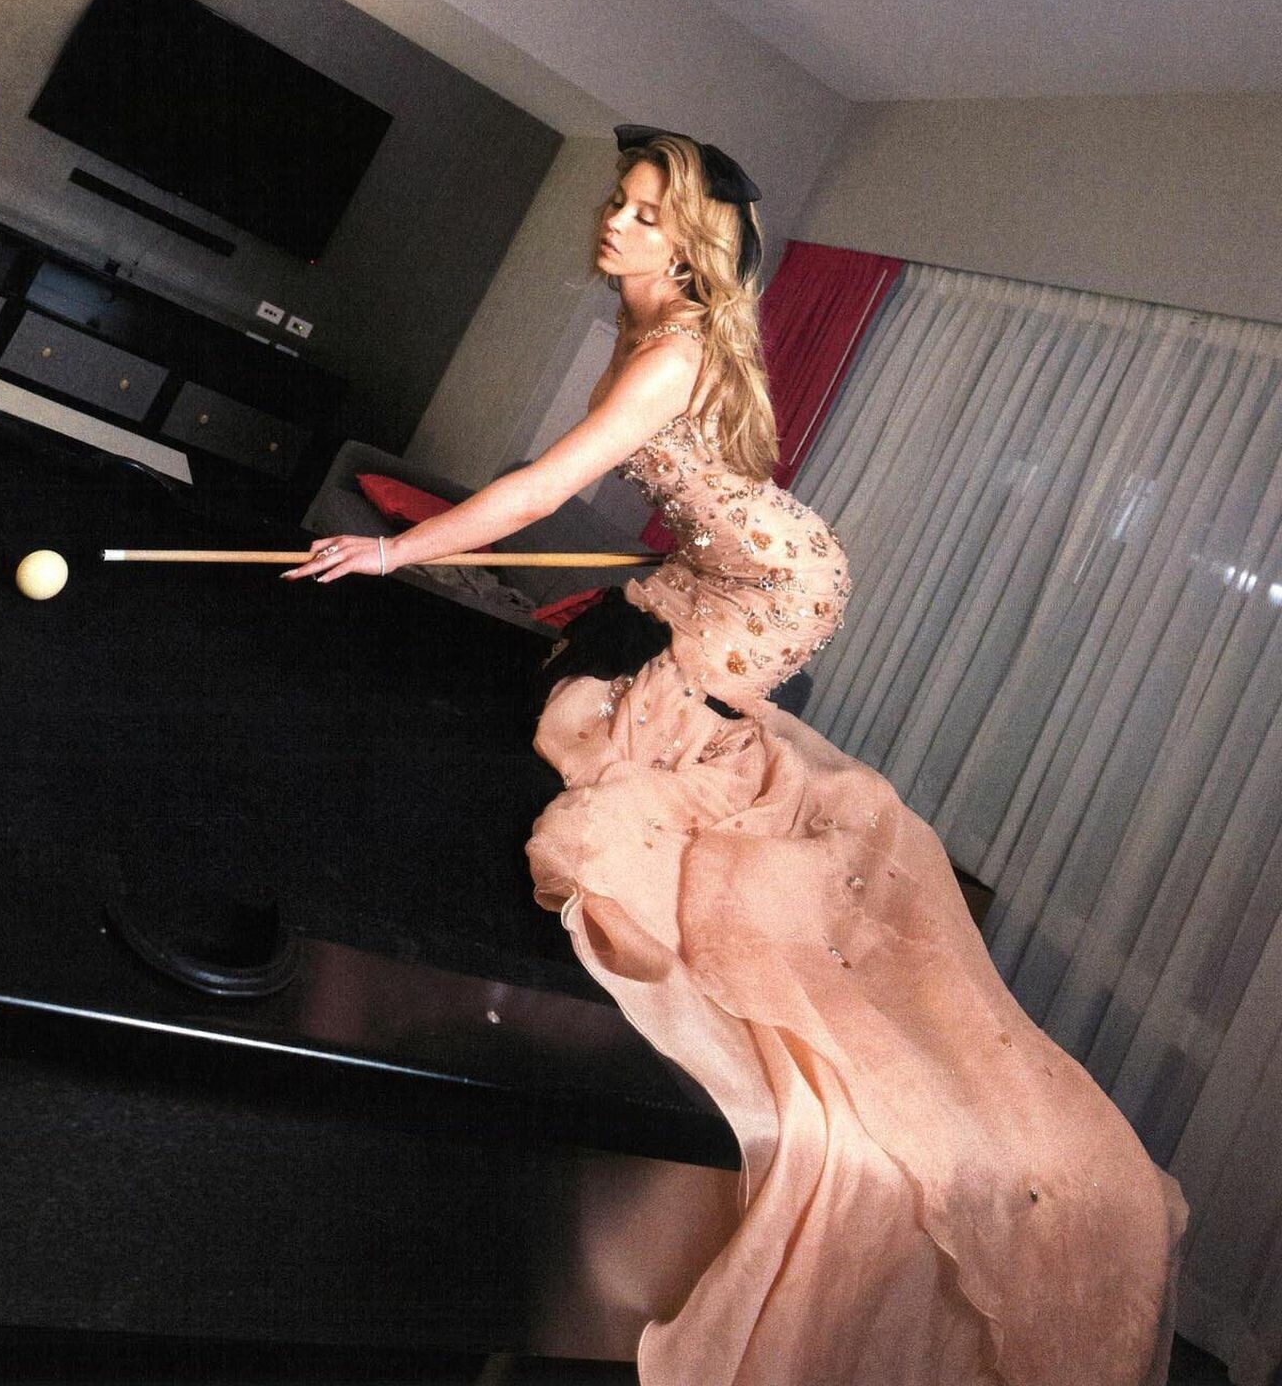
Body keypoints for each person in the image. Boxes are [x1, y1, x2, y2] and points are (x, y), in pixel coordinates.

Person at [283, 127, 1189, 1386]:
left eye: (649, 215)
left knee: (649, 765)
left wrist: (392, 552)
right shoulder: (648, 322)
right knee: (606, 668)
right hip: (735, 557)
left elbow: (538, 490)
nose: (616, 222)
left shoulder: (668, 351)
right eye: (621, 201)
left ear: (690, 249)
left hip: (775, 584)